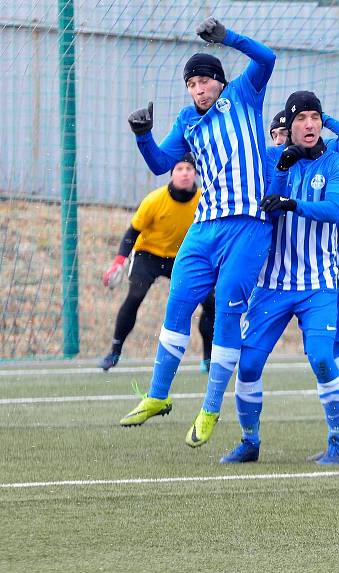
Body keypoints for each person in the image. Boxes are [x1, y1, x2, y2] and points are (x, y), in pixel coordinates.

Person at [119, 18, 277, 446]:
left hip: (249, 227)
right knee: (177, 307)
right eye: (192, 83)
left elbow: (268, 57)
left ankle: (210, 408)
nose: (199, 89)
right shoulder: (188, 120)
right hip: (204, 229)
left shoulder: (244, 95)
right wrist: (142, 135)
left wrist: (227, 38)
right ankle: (157, 395)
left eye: (205, 80)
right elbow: (158, 162)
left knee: (226, 313)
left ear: (221, 83)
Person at [221, 108, 339, 464]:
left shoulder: (331, 162)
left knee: (329, 357)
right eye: (277, 134)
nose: (281, 140)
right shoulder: (272, 165)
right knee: (275, 362)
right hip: (285, 283)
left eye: (287, 131)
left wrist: (325, 119)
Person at [98, 153, 214, 373]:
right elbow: (132, 233)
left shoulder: (204, 200)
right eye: (179, 169)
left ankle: (208, 359)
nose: (185, 173)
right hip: (148, 255)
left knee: (210, 303)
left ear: (195, 173)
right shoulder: (154, 200)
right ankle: (114, 352)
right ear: (172, 175)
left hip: (182, 257)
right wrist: (119, 261)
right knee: (135, 296)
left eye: (189, 169)